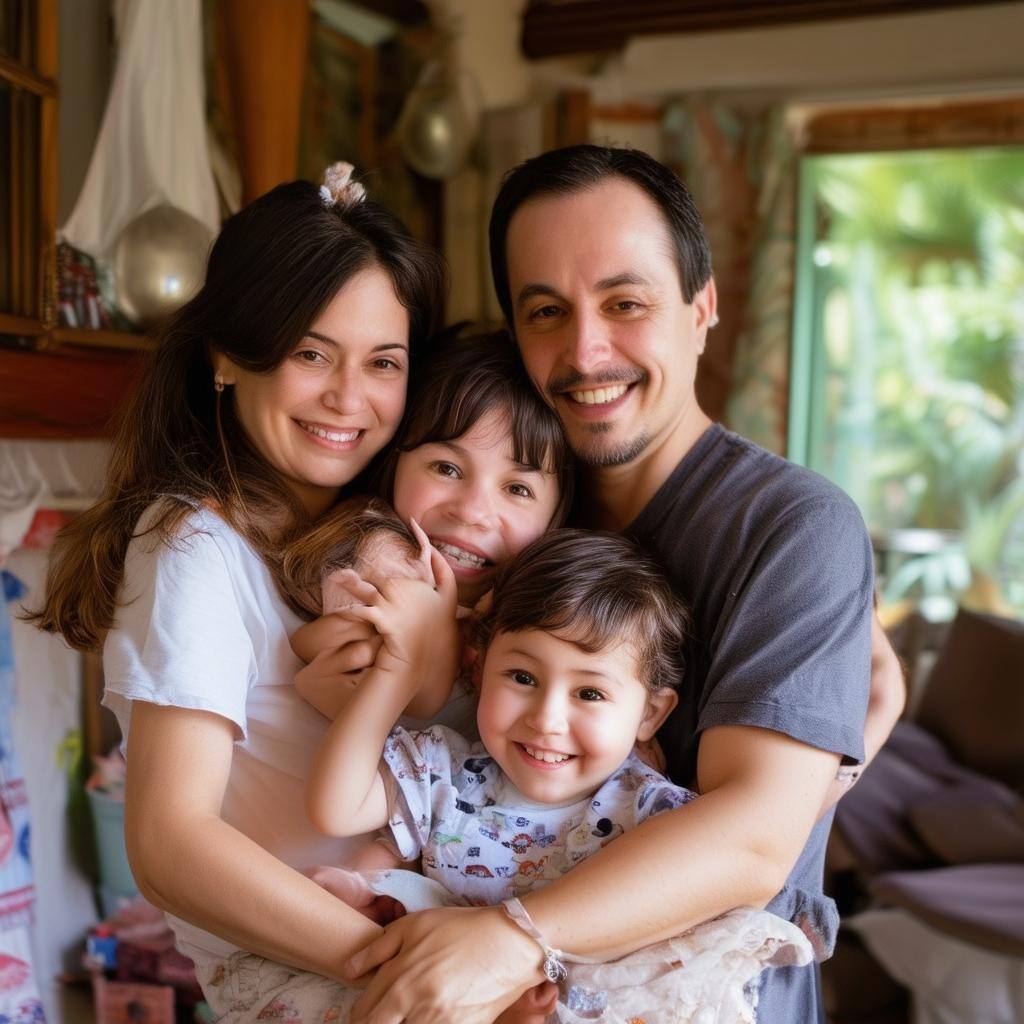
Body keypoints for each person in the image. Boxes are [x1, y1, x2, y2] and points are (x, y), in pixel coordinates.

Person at [340, 146, 906, 1023]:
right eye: (545, 311)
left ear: (702, 306)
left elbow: (754, 835)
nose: (585, 350)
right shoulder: (509, 518)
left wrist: (514, 939)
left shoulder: (792, 528)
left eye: (626, 303)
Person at [31, 166, 456, 999]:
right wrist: (401, 971)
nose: (348, 398)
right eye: (310, 353)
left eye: (384, 363)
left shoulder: (389, 530)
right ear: (228, 356)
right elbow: (169, 842)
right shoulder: (193, 546)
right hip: (326, 978)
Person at [295, 530, 813, 1024]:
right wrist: (393, 676)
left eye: (589, 694)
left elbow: (657, 954)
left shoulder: (656, 815)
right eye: (522, 678)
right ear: (478, 670)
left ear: (649, 715)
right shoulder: (447, 773)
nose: (546, 720)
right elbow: (336, 809)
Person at [281, 328, 573, 726]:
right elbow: (308, 645)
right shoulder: (381, 559)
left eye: (518, 489)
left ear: (557, 515)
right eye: (447, 468)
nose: (471, 512)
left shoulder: (560, 617)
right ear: (395, 461)